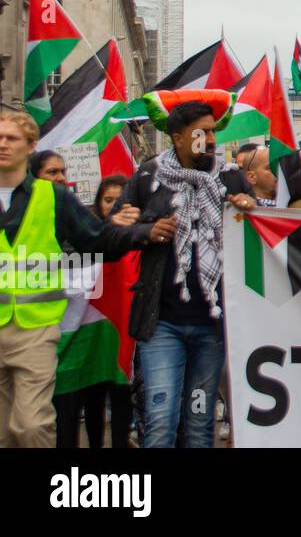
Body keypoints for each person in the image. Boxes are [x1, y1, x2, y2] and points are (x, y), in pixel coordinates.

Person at [0, 112, 160, 448]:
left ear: (30, 146)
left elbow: (96, 241)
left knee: (30, 427)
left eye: (11, 138)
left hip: (34, 331)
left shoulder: (54, 197)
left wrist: (135, 232)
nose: (2, 144)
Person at [111, 100, 254, 449]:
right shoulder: (147, 177)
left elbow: (260, 235)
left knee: (200, 421)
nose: (209, 140)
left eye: (213, 132)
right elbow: (113, 232)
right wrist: (146, 231)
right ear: (177, 138)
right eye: (201, 133)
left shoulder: (230, 176)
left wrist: (249, 211)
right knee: (160, 421)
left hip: (213, 326)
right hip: (162, 325)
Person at [57, 176, 136, 449]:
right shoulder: (81, 238)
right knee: (92, 398)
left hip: (122, 335)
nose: (114, 206)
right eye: (108, 200)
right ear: (98, 202)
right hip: (87, 335)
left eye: (119, 200)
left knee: (121, 393)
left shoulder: (141, 236)